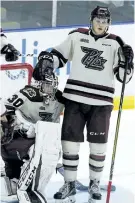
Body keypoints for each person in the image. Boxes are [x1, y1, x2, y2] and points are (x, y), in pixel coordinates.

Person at [32, 5, 134, 203]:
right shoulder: (76, 37)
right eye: (97, 21)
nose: (100, 25)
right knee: (69, 144)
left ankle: (94, 182)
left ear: (109, 23)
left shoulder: (116, 43)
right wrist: (47, 60)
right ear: (91, 20)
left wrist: (127, 63)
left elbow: (123, 78)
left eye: (104, 22)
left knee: (98, 146)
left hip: (101, 103)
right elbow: (58, 56)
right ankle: (69, 183)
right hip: (74, 100)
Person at [1, 73, 65, 203]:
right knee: (42, 152)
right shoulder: (27, 94)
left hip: (37, 140)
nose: (51, 88)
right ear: (37, 84)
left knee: (49, 150)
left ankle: (18, 182)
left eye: (53, 84)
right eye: (47, 84)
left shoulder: (59, 97)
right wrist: (19, 124)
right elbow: (5, 109)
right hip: (18, 139)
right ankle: (25, 188)